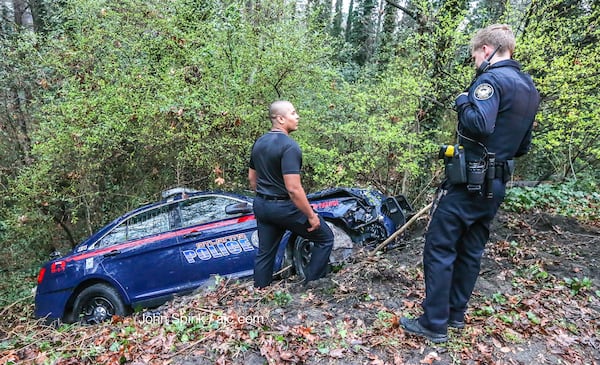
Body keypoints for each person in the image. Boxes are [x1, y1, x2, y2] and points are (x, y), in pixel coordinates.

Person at [401, 24, 540, 343]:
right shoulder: (529, 87)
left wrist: (463, 100)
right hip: (497, 184)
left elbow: (479, 123)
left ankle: (434, 323)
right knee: (471, 249)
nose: (475, 60)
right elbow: (523, 146)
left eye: (475, 54)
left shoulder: (490, 80)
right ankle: (455, 314)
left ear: (487, 50)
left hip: (469, 183)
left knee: (439, 246)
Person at [248, 100, 334, 288]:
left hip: (262, 205)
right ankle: (312, 286)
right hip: (284, 207)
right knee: (325, 238)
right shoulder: (289, 147)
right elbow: (294, 189)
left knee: (265, 253)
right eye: (293, 113)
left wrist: (266, 197)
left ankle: (260, 293)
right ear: (280, 118)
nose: (297, 117)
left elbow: (252, 178)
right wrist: (311, 216)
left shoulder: (259, 143)